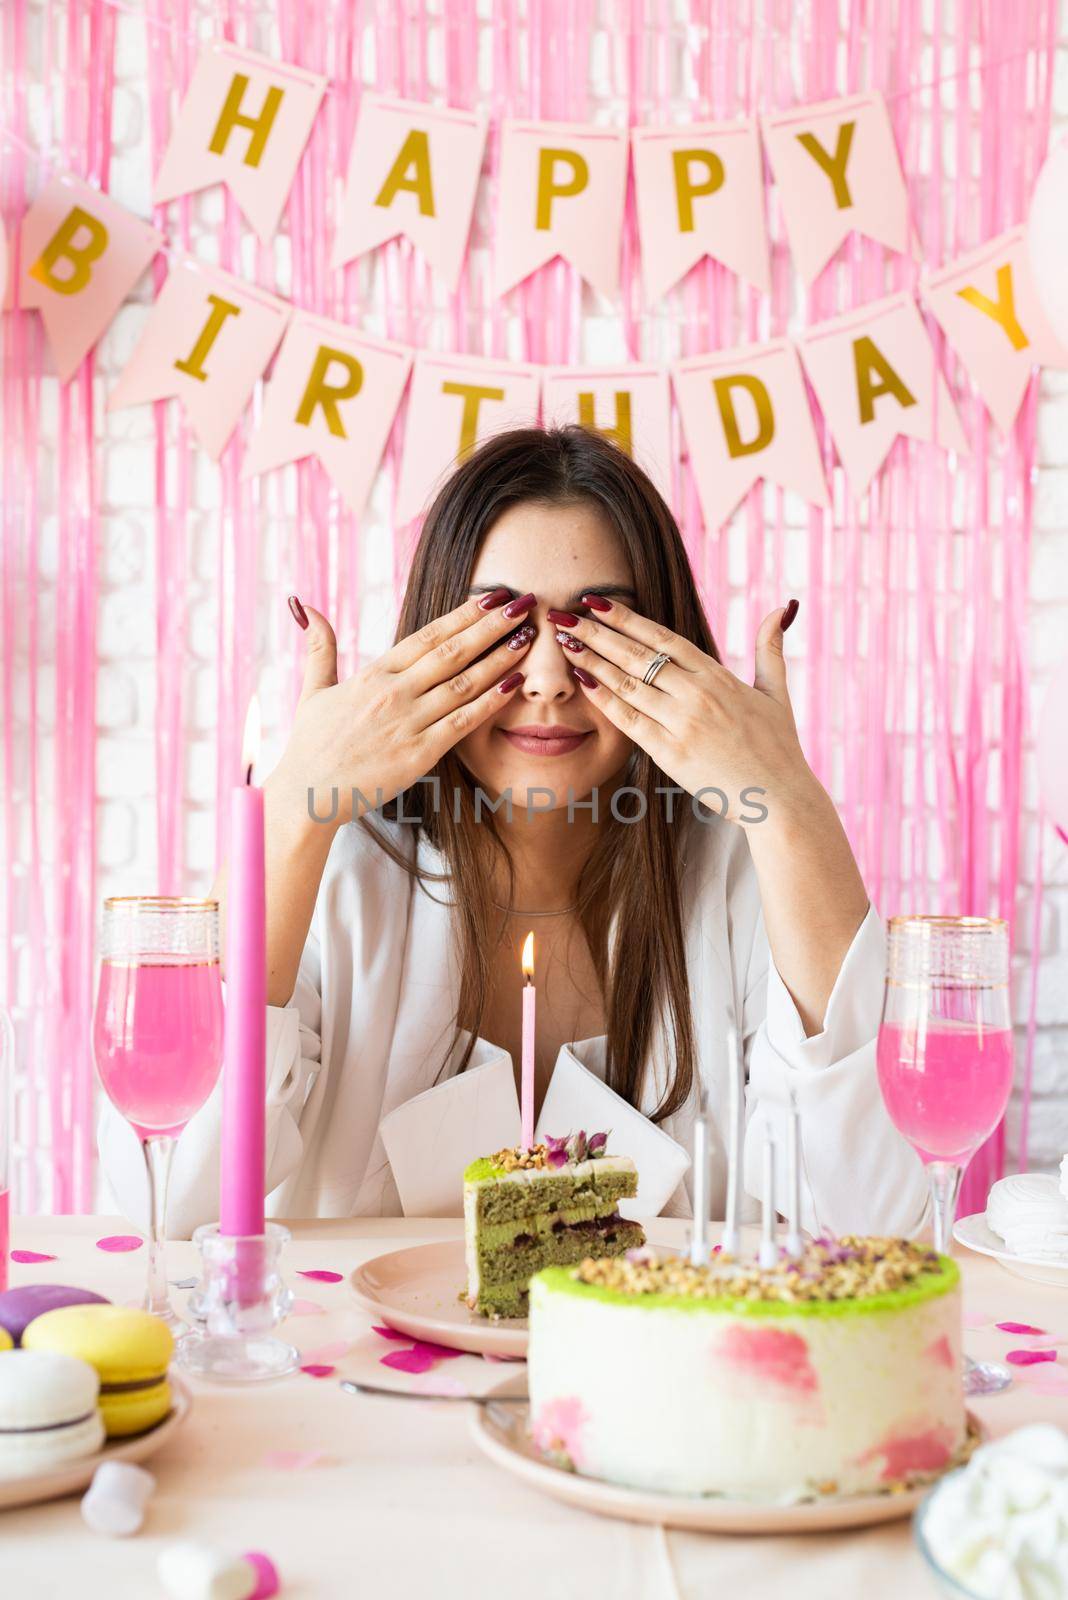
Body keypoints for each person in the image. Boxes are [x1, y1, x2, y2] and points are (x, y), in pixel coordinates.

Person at [99, 425, 927, 1238]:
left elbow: (885, 1217)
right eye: (506, 627)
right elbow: (162, 1199)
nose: (547, 679)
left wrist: (790, 805)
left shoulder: (744, 874)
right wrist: (288, 810)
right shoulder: (336, 867)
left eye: (592, 628)